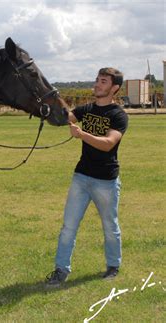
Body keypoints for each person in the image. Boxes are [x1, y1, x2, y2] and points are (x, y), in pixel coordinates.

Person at [46, 67, 128, 286]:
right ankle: (61, 270)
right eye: (97, 80)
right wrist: (49, 104)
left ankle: (113, 266)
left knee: (110, 227)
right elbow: (62, 119)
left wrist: (81, 134)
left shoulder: (118, 115)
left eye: (103, 81)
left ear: (114, 88)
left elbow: (108, 143)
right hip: (81, 177)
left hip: (106, 181)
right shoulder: (86, 109)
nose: (97, 84)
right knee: (68, 227)